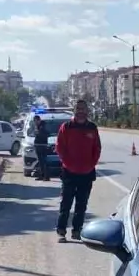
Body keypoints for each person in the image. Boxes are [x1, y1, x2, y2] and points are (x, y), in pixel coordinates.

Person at [55, 100, 101, 242]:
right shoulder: (66, 127)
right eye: (78, 108)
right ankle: (61, 231)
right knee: (66, 204)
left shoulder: (92, 128)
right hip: (69, 172)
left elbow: (97, 148)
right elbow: (59, 147)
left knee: (81, 205)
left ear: (87, 111)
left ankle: (76, 231)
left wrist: (90, 164)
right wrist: (68, 163)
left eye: (83, 109)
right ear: (74, 110)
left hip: (86, 173)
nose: (81, 111)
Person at [32, 116, 51, 181]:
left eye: (36, 121)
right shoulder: (38, 126)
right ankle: (42, 175)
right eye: (34, 121)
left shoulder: (43, 126)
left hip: (42, 146)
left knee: (44, 161)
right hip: (38, 145)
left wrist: (39, 133)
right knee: (40, 162)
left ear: (39, 120)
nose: (35, 122)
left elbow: (47, 134)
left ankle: (46, 176)